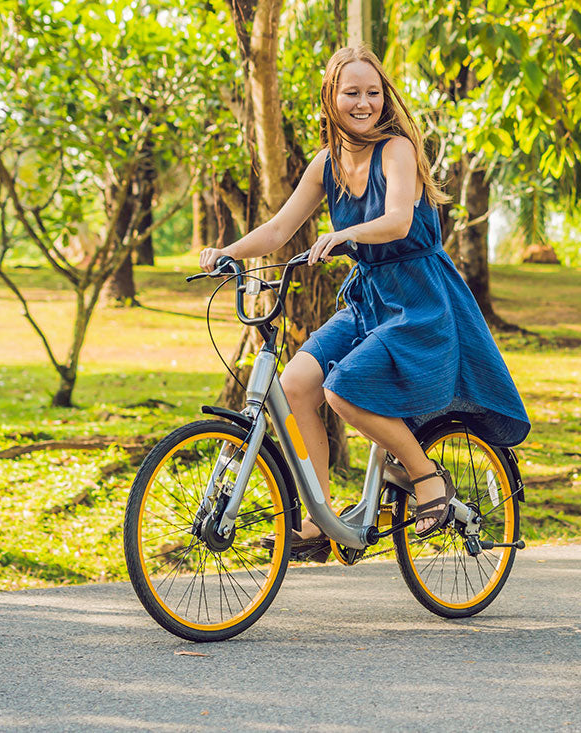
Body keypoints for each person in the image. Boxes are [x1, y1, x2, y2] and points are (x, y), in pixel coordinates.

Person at [200, 45, 530, 556]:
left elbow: (398, 220)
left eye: (372, 92)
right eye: (351, 92)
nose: (363, 103)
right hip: (369, 300)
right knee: (296, 387)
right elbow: (282, 228)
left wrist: (344, 234)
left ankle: (426, 476)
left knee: (343, 390)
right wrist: (228, 251)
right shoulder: (325, 164)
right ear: (331, 97)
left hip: (420, 299)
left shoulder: (396, 150)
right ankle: (318, 521)